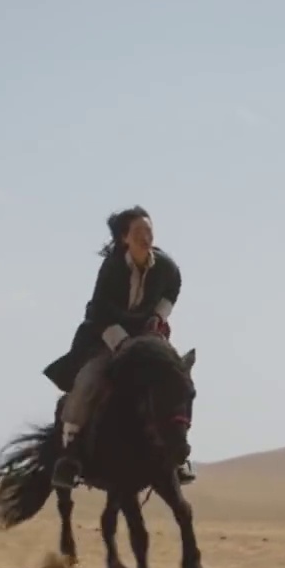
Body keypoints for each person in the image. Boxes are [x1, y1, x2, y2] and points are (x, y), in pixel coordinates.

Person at [42, 206, 196, 491]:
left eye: (149, 231)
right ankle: (70, 454)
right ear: (124, 238)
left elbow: (173, 287)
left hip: (146, 336)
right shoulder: (112, 269)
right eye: (138, 232)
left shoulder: (166, 266)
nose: (145, 237)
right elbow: (99, 312)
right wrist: (122, 342)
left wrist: (159, 316)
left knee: (176, 379)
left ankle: (177, 454)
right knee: (88, 380)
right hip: (105, 336)